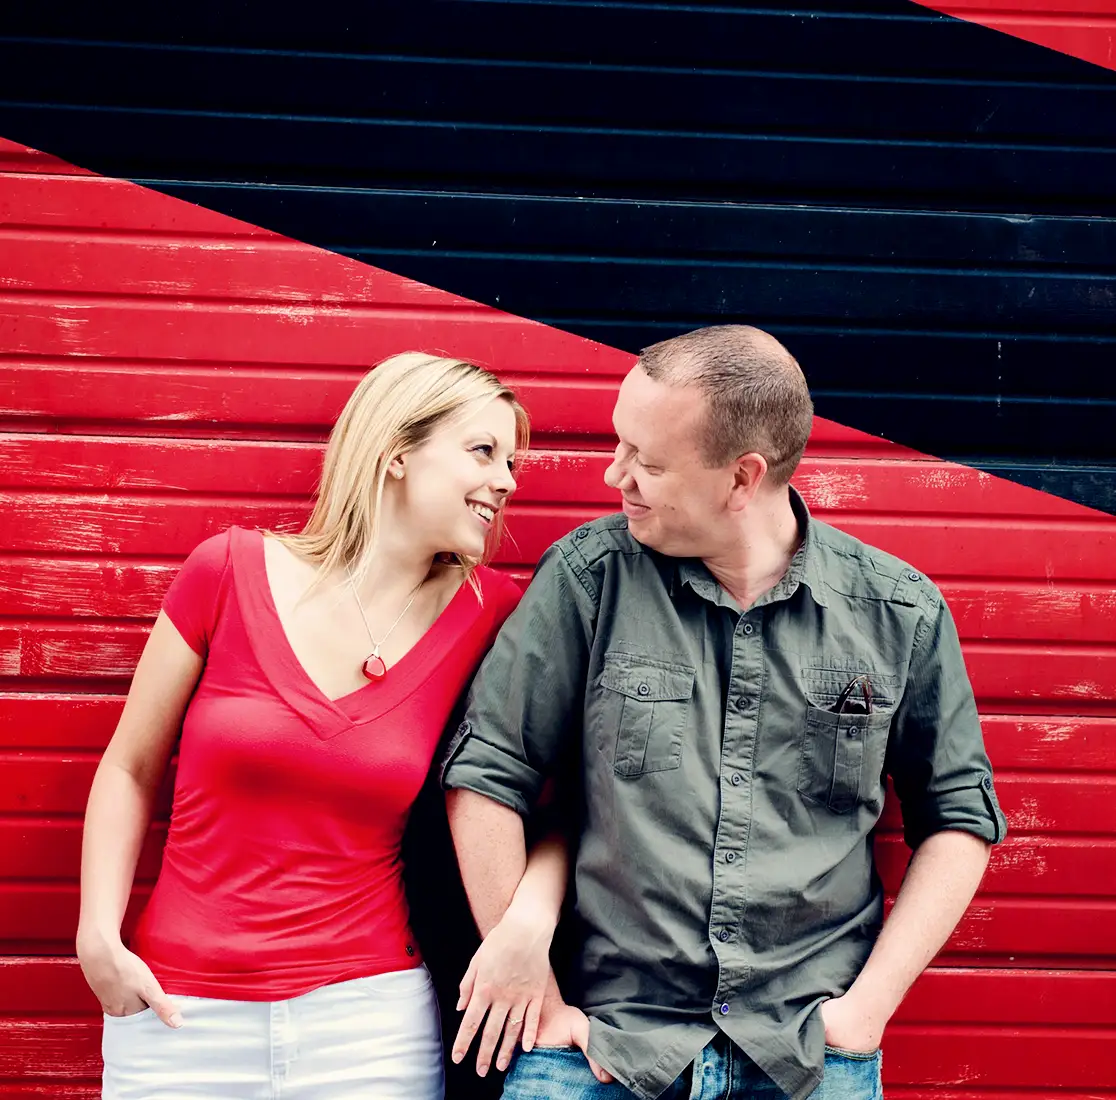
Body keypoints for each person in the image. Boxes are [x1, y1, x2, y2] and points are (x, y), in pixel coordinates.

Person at [441, 326, 1007, 1100]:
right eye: (620, 445)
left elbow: (959, 817)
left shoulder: (896, 612)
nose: (617, 475)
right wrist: (532, 982)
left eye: (648, 460)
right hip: (603, 1052)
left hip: (808, 1059)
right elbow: (488, 773)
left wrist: (868, 1010)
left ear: (743, 477)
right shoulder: (589, 578)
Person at [76, 351, 557, 1099]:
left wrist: (526, 924)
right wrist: (98, 939)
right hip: (178, 1018)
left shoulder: (491, 614)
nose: (507, 480)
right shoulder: (226, 572)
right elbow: (129, 768)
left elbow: (554, 796)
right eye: (483, 451)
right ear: (396, 452)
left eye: (511, 461)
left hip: (367, 1027)